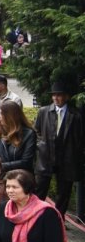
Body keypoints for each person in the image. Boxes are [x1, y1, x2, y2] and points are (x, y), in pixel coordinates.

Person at [34, 80, 83, 215]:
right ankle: (36, 216)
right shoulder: (44, 111)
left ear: (66, 96)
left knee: (63, 193)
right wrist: (41, 144)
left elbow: (79, 138)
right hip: (46, 157)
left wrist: (73, 153)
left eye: (59, 95)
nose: (56, 98)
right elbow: (36, 130)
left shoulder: (75, 115)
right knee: (40, 190)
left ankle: (58, 219)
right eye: (54, 95)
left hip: (66, 160)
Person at [0, 100, 36, 174]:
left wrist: (1, 166)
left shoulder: (29, 134)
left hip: (20, 177)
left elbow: (26, 162)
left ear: (10, 116)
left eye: (1, 113)